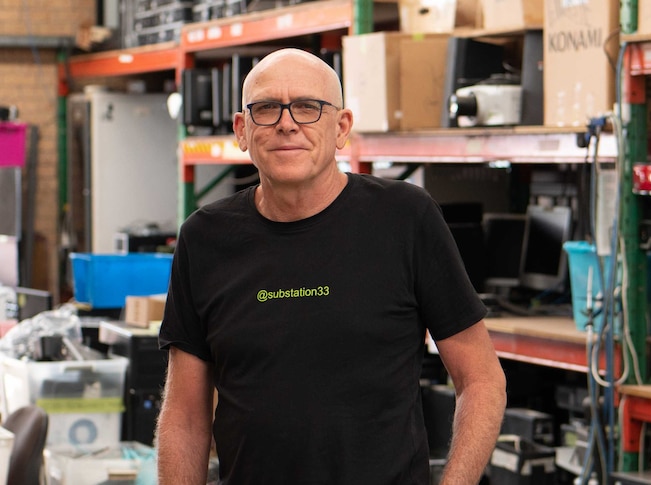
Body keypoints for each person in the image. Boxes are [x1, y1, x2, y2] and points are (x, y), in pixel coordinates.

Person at [156, 47, 507, 484]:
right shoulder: (204, 238)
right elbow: (186, 416)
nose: (287, 122)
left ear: (341, 128)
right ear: (242, 131)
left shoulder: (405, 218)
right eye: (266, 108)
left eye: (307, 107)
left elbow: (481, 380)